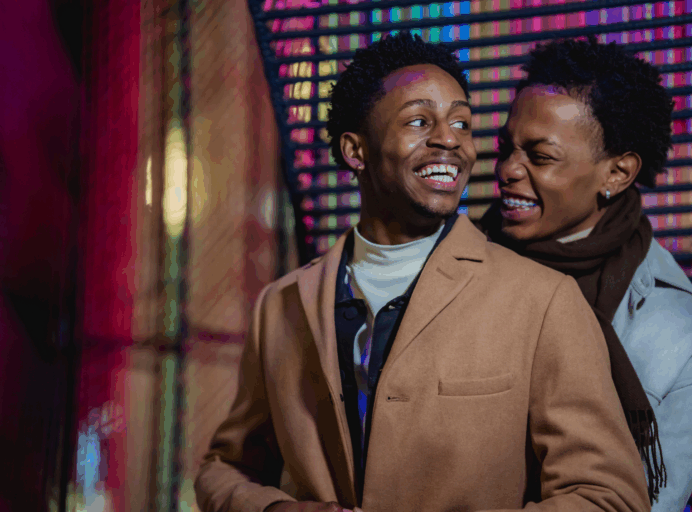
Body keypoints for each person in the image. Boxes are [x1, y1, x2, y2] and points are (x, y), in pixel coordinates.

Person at [195, 32, 651, 512]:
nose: (450, 140)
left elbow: (609, 498)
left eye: (462, 123)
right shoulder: (281, 304)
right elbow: (225, 468)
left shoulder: (543, 300)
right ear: (355, 151)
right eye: (419, 121)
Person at [479, 37, 692, 512]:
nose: (508, 169)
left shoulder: (680, 332)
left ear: (617, 173)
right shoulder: (454, 267)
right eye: (506, 148)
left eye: (540, 156)